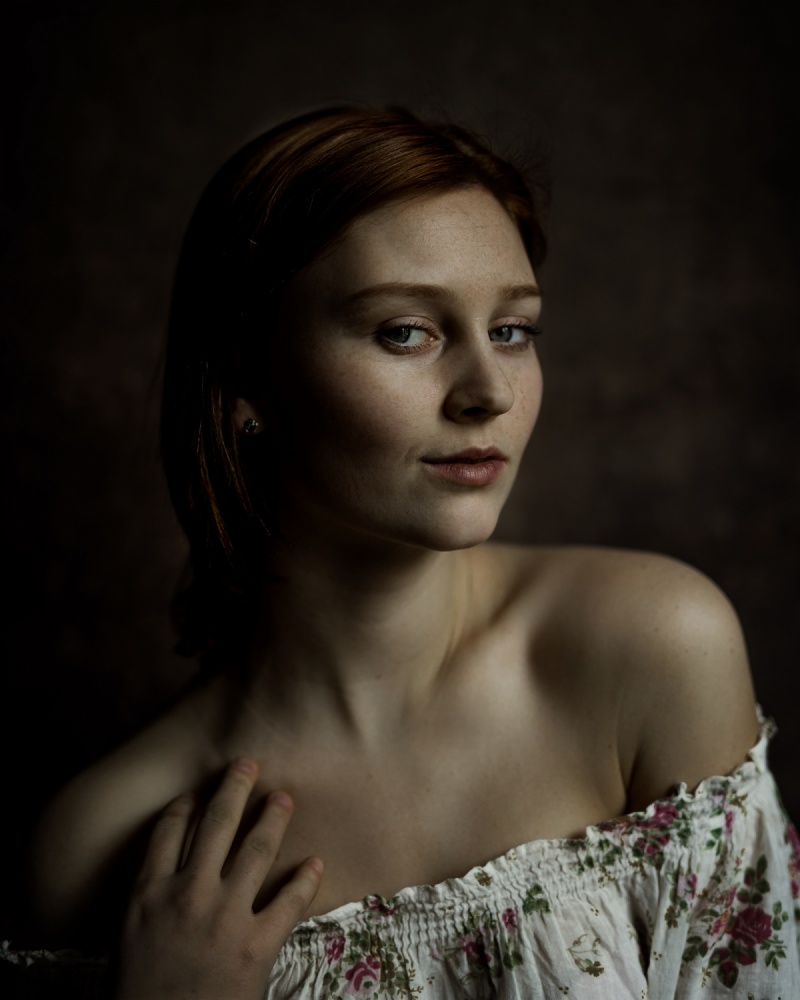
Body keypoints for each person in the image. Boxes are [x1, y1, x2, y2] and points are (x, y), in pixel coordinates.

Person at [7, 105, 799, 998]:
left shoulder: (651, 650)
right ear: (243, 380)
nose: (489, 392)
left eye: (512, 330)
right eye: (406, 331)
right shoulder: (105, 845)